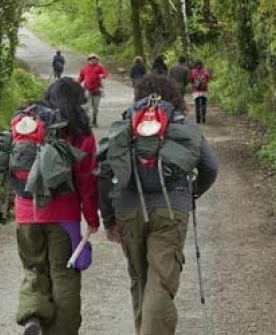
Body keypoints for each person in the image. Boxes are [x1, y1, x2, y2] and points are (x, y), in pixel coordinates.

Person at [98, 75, 219, 335]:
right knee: (160, 281)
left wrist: (108, 220)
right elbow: (210, 166)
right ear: (173, 97)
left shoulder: (125, 125)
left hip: (129, 209)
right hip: (171, 208)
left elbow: (105, 173)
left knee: (140, 279)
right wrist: (192, 192)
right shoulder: (182, 125)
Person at [12, 78, 100, 335]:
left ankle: (33, 317)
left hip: (26, 213)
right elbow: (86, 181)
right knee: (64, 274)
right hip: (63, 216)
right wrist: (92, 218)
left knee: (33, 268)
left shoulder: (27, 122)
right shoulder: (81, 132)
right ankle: (62, 331)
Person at [78, 53, 109, 128]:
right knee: (86, 107)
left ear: (97, 60)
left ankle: (94, 120)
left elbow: (105, 74)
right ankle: (88, 122)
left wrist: (102, 75)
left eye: (94, 59)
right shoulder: (84, 68)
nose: (93, 60)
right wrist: (76, 83)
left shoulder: (100, 67)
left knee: (95, 108)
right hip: (87, 89)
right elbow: (81, 78)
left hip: (97, 90)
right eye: (91, 59)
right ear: (88, 60)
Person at [189, 60, 212, 124]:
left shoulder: (193, 71)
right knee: (203, 104)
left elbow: (191, 80)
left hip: (196, 91)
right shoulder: (205, 71)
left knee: (197, 105)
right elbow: (208, 79)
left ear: (195, 65)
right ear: (202, 65)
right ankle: (203, 117)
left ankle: (198, 119)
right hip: (204, 91)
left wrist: (194, 84)